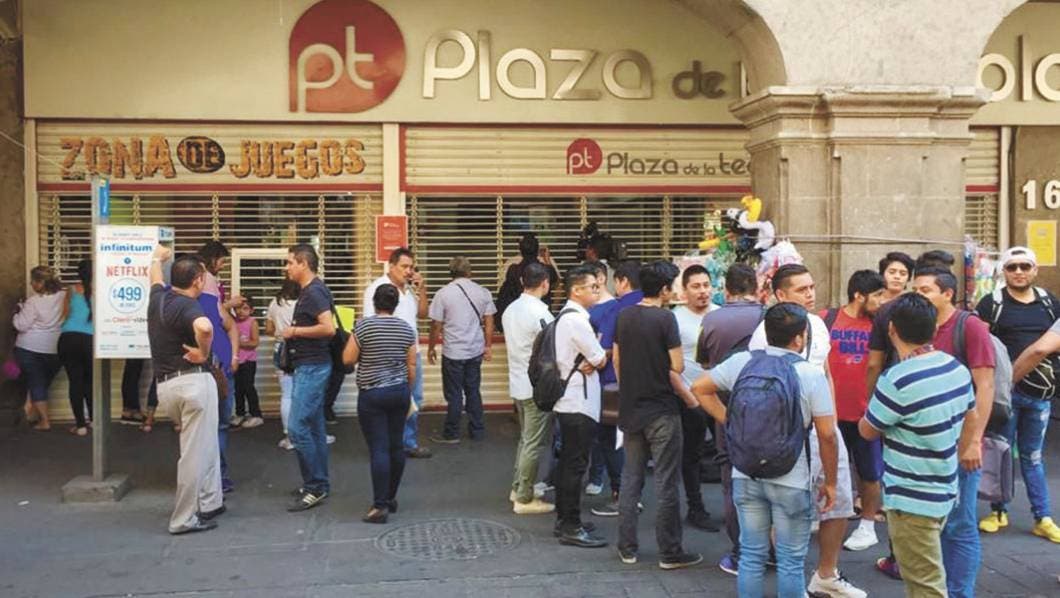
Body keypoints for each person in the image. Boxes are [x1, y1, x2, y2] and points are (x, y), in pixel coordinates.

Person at [693, 302, 839, 598]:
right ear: (800, 338)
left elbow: (699, 388)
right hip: (791, 476)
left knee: (751, 554)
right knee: (790, 560)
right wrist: (831, 482)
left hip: (746, 472)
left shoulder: (742, 362)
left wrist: (730, 421)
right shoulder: (809, 374)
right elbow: (827, 434)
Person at [749, 264, 864, 598]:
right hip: (786, 434)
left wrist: (831, 419)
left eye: (812, 286)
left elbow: (826, 372)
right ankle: (792, 579)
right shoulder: (765, 333)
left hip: (823, 429)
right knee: (787, 509)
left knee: (839, 500)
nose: (811, 294)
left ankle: (826, 574)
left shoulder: (818, 324)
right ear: (780, 294)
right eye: (802, 289)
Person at [859, 293, 979, 598]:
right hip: (944, 489)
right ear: (934, 328)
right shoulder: (955, 368)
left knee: (925, 585)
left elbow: (868, 430)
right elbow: (972, 416)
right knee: (928, 576)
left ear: (892, 330)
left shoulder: (897, 380)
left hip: (911, 499)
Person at [911, 267, 997, 596]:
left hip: (960, 441)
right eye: (915, 290)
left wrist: (974, 442)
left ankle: (960, 592)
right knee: (934, 524)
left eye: (925, 290)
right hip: (927, 443)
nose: (918, 296)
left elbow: (985, 385)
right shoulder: (919, 326)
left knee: (960, 524)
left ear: (948, 294)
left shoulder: (968, 326)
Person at [613, 261, 703, 569]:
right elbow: (677, 366)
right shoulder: (666, 318)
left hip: (631, 407)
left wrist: (629, 385)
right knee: (666, 482)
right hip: (662, 409)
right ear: (664, 289)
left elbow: (617, 358)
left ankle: (626, 547)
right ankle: (670, 551)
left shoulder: (624, 315)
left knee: (630, 479)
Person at [975, 247, 1060, 543]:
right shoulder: (992, 303)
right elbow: (980, 343)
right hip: (1004, 394)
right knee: (1000, 452)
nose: (1019, 272)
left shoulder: (1050, 303)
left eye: (1025, 266)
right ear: (1004, 271)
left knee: (1032, 456)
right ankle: (998, 511)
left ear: (1035, 270)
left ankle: (1042, 517)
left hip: (1040, 394)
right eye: (1013, 267)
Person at [147, 247, 224, 535]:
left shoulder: (158, 298)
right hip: (193, 383)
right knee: (194, 454)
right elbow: (205, 328)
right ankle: (184, 518)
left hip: (166, 385)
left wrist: (157, 258)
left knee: (205, 445)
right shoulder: (189, 305)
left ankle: (210, 501)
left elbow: (154, 277)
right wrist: (203, 353)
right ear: (198, 281)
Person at [695, 262, 764, 576]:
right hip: (765, 408)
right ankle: (769, 547)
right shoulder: (769, 316)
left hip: (724, 405)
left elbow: (705, 363)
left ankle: (740, 550)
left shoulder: (712, 319)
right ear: (755, 287)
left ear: (727, 289)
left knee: (731, 477)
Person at [822, 270, 886, 552]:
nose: (882, 301)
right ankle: (825, 513)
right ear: (859, 295)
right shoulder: (827, 318)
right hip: (830, 412)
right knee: (825, 468)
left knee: (869, 471)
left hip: (866, 414)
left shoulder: (881, 325)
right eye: (877, 295)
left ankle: (868, 525)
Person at [343, 283, 417, 524]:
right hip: (399, 391)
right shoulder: (406, 329)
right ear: (395, 304)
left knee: (379, 448)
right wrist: (407, 390)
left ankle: (379, 505)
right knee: (396, 446)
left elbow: (348, 358)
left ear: (374, 302)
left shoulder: (364, 326)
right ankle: (390, 497)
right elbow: (411, 365)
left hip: (372, 394)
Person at [552, 264, 608, 548]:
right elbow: (599, 358)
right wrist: (598, 353)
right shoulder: (576, 320)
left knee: (568, 464)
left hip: (570, 401)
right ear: (576, 290)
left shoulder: (566, 317)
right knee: (575, 466)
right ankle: (571, 526)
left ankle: (565, 519)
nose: (597, 291)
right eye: (593, 287)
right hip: (578, 402)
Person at [363, 247, 431, 459]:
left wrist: (422, 289)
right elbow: (371, 324)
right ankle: (386, 445)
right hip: (389, 356)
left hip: (413, 354)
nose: (408, 271)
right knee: (389, 401)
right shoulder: (377, 289)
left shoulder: (408, 290)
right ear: (391, 266)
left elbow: (423, 314)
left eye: (411, 267)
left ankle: (408, 443)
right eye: (404, 266)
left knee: (413, 399)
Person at [284, 244, 337, 512]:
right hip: (311, 366)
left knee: (296, 428)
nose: (286, 268)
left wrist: (294, 332)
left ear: (304, 263)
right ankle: (319, 483)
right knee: (315, 429)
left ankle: (314, 486)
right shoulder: (312, 290)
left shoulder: (314, 292)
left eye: (290, 262)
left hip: (312, 368)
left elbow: (328, 328)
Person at [586, 259, 641, 516]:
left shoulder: (617, 310)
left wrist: (590, 361)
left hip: (615, 385)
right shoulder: (659, 308)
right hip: (652, 386)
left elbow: (603, 349)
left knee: (611, 439)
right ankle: (635, 493)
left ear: (623, 281)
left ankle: (623, 495)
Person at [671, 264, 721, 531]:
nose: (702, 291)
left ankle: (734, 507)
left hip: (719, 395)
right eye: (696, 286)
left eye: (706, 285)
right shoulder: (675, 319)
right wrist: (685, 395)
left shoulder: (721, 315)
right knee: (692, 454)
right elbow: (669, 364)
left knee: (728, 452)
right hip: (689, 396)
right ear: (684, 290)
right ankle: (695, 507)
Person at [504, 262, 557, 515]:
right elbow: (553, 348)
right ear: (545, 284)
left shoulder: (510, 310)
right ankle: (524, 498)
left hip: (518, 382)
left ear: (522, 282)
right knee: (533, 443)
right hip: (537, 386)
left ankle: (519, 487)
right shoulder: (541, 313)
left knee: (526, 440)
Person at [427, 256, 497, 443]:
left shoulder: (443, 294)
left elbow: (436, 325)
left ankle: (452, 433)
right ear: (469, 272)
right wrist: (488, 346)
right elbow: (489, 322)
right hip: (475, 350)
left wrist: (431, 347)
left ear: (451, 273)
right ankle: (477, 431)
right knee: (473, 390)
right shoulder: (482, 292)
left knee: (454, 393)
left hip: (453, 352)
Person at [198, 241, 241, 494]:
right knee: (218, 424)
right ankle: (217, 477)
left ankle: (215, 477)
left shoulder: (198, 301)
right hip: (216, 365)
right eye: (222, 261)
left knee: (215, 424)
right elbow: (226, 324)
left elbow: (228, 324)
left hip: (220, 363)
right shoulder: (207, 287)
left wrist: (233, 355)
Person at [14, 265, 65, 431]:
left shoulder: (33, 302)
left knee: (35, 381)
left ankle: (44, 421)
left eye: (33, 281)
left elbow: (21, 325)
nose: (31, 284)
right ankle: (29, 408)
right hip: (55, 348)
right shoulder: (64, 297)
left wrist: (17, 313)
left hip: (29, 348)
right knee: (41, 382)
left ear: (41, 282)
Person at [495, 232, 560, 330]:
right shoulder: (546, 269)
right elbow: (556, 281)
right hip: (542, 318)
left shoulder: (513, 270)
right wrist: (547, 260)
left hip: (518, 319)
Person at [58, 259, 93, 436]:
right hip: (89, 341)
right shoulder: (100, 291)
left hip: (68, 339)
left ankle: (80, 425)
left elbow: (64, 315)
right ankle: (94, 420)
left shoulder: (71, 290)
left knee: (75, 382)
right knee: (90, 382)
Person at [266, 279, 299, 450]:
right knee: (305, 393)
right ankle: (308, 434)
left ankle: (289, 437)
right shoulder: (302, 303)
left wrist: (281, 331)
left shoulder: (275, 303)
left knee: (287, 395)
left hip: (281, 350)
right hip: (302, 349)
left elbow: (268, 329)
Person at [232, 297, 263, 429]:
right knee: (237, 388)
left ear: (251, 310)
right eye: (237, 308)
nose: (240, 311)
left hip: (249, 361)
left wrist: (238, 343)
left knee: (248, 387)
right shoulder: (232, 321)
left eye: (245, 309)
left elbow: (255, 342)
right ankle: (240, 413)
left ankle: (256, 414)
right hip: (236, 360)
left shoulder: (252, 322)